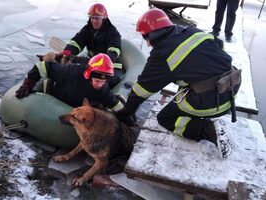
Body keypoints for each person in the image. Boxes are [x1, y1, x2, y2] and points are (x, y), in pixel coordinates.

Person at [116, 8, 241, 159]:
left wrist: (126, 111)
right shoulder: (192, 31)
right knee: (187, 86)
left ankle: (209, 130)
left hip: (214, 101)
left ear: (153, 34)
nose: (147, 44)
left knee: (165, 118)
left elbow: (142, 90)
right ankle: (207, 112)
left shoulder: (162, 54)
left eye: (145, 37)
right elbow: (219, 44)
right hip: (232, 87)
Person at [15, 53, 124, 112]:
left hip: (75, 108)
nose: (100, 84)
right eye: (97, 81)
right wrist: (28, 84)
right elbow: (42, 66)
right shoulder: (69, 72)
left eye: (103, 81)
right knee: (51, 74)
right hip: (58, 96)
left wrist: (126, 116)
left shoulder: (103, 90)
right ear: (88, 74)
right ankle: (47, 82)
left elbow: (115, 105)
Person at [60, 3, 124, 88]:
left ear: (104, 19)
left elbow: (114, 50)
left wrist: (102, 63)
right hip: (92, 63)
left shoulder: (112, 32)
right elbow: (76, 42)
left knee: (103, 84)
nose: (94, 21)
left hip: (111, 67)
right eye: (92, 18)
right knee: (76, 75)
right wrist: (67, 52)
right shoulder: (87, 29)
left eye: (97, 18)